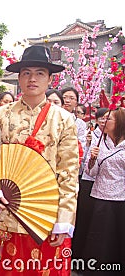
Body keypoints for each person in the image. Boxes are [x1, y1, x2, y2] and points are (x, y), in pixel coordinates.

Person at [0, 45, 79, 275]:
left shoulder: (64, 120)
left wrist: (63, 219)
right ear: (19, 78)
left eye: (39, 73)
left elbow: (69, 174)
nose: (32, 79)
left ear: (50, 79)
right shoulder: (0, 115)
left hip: (45, 219)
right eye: (26, 73)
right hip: (5, 215)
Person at [83, 107, 125, 275]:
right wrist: (92, 159)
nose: (104, 121)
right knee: (98, 235)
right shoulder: (100, 141)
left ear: (119, 123)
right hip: (99, 195)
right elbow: (90, 173)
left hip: (119, 198)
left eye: (109, 119)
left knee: (115, 235)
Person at [71, 107, 113, 262]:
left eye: (108, 119)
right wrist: (91, 154)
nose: (104, 121)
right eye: (102, 118)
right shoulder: (93, 136)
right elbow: (89, 169)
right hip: (91, 184)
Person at [61, 87, 87, 152]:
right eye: (64, 97)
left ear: (76, 103)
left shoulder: (80, 123)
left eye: (71, 98)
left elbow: (81, 143)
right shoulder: (52, 118)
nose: (67, 101)